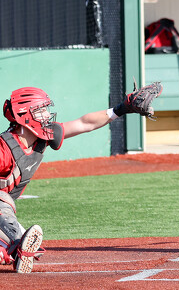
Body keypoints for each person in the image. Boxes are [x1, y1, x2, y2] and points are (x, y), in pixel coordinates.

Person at [0, 82, 162, 273]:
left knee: (22, 245)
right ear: (24, 115)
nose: (47, 115)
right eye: (40, 110)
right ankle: (12, 247)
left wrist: (121, 109)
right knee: (7, 214)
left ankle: (10, 248)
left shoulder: (44, 136)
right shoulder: (4, 150)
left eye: (46, 109)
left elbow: (85, 123)